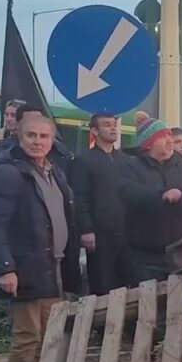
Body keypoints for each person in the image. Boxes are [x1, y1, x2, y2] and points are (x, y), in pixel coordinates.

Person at [0, 115, 79, 362]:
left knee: (50, 336)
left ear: (52, 140)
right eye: (31, 136)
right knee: (27, 337)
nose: (38, 141)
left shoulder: (53, 171)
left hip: (52, 267)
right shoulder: (10, 173)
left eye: (43, 136)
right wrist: (6, 267)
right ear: (19, 136)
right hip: (26, 269)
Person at [119, 112, 182, 281]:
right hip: (146, 255)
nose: (169, 140)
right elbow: (128, 192)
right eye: (162, 136)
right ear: (148, 144)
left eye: (169, 135)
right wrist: (161, 195)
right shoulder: (131, 166)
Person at [70, 113, 136, 296]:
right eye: (107, 125)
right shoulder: (84, 161)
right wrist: (86, 229)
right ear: (94, 131)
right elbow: (80, 197)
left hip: (126, 232)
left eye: (115, 124)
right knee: (103, 286)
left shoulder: (126, 160)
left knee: (128, 284)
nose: (113, 128)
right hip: (100, 235)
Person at [0, 104, 72, 202]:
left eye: (39, 120)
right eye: (30, 122)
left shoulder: (60, 152)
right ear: (19, 126)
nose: (37, 141)